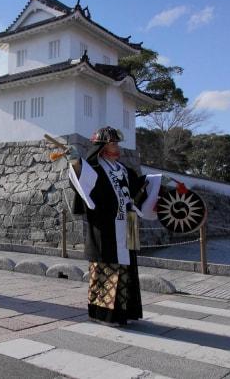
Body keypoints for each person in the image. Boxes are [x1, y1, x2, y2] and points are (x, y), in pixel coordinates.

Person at [67, 126, 163, 326]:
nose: (116, 147)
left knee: (126, 272)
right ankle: (102, 314)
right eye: (112, 143)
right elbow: (82, 180)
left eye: (117, 143)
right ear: (102, 146)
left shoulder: (123, 170)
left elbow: (138, 188)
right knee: (106, 271)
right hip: (106, 227)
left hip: (127, 225)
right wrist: (76, 162)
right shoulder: (95, 168)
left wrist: (156, 182)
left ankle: (124, 312)